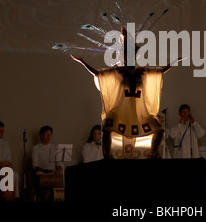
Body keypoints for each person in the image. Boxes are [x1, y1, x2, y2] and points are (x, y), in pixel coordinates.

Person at [71, 27, 181, 159]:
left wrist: (174, 62)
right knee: (107, 126)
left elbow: (160, 72)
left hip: (139, 114)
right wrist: (82, 62)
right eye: (127, 54)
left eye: (132, 54)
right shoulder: (118, 72)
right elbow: (98, 73)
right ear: (123, 56)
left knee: (159, 128)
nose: (130, 57)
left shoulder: (142, 72)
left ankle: (153, 152)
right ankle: (107, 155)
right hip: (120, 113)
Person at [32, 125, 62, 201]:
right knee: (45, 193)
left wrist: (58, 170)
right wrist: (44, 170)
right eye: (46, 134)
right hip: (42, 175)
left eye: (50, 135)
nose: (49, 137)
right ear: (41, 135)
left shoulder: (54, 148)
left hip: (53, 174)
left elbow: (59, 164)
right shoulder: (36, 148)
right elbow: (35, 165)